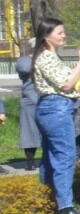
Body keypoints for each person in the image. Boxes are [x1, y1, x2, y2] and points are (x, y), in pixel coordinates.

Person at [31, 18, 80, 214]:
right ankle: (65, 209)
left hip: (54, 108)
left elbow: (68, 86)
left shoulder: (50, 57)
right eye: (60, 32)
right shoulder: (45, 57)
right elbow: (66, 84)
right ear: (46, 36)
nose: (64, 36)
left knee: (50, 158)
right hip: (55, 110)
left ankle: (48, 203)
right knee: (65, 157)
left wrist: (77, 94)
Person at [15, 38, 39, 171]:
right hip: (30, 101)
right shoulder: (24, 60)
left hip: (44, 100)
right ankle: (30, 162)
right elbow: (24, 69)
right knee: (30, 133)